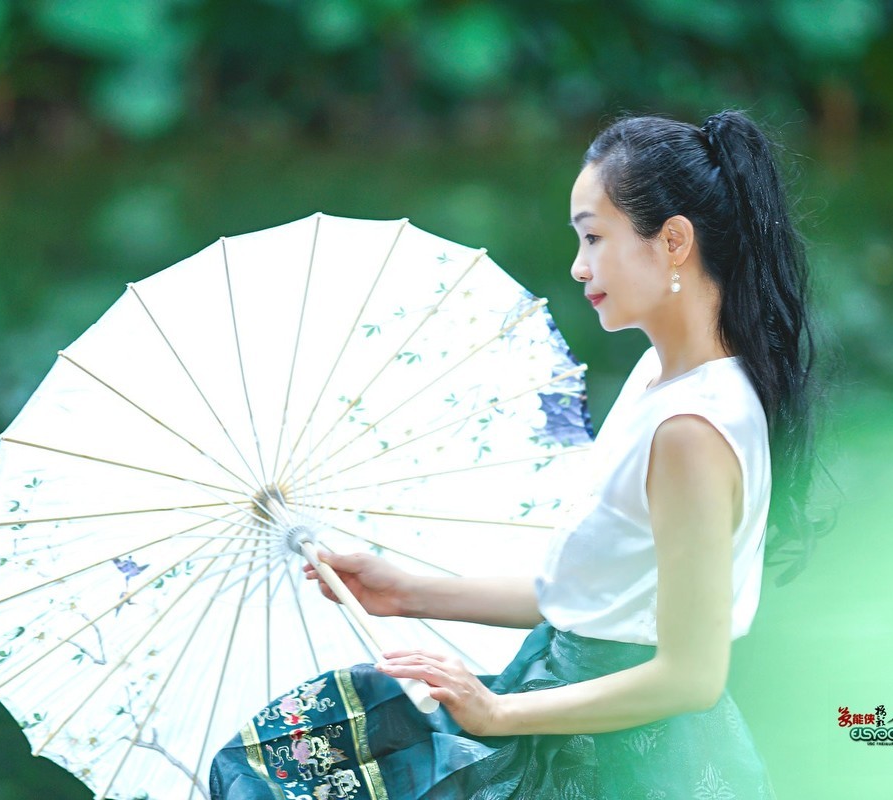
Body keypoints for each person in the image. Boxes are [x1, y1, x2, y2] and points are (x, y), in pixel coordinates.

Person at [210, 109, 819, 799]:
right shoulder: (660, 376)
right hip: (561, 703)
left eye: (594, 238)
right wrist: (404, 592)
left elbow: (692, 675)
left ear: (673, 240)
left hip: (627, 759)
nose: (578, 265)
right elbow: (589, 599)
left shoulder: (691, 429)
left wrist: (499, 712)